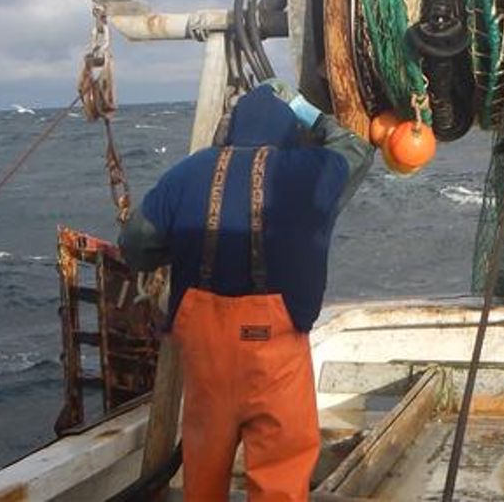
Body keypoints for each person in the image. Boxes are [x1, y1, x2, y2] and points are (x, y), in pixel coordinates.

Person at [119, 81, 373, 501]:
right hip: (275, 357)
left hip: (206, 358)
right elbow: (358, 148)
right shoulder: (309, 171)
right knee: (281, 472)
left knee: (202, 470)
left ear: (229, 132)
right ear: (289, 133)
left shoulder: (187, 172)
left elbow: (135, 244)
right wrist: (304, 107)